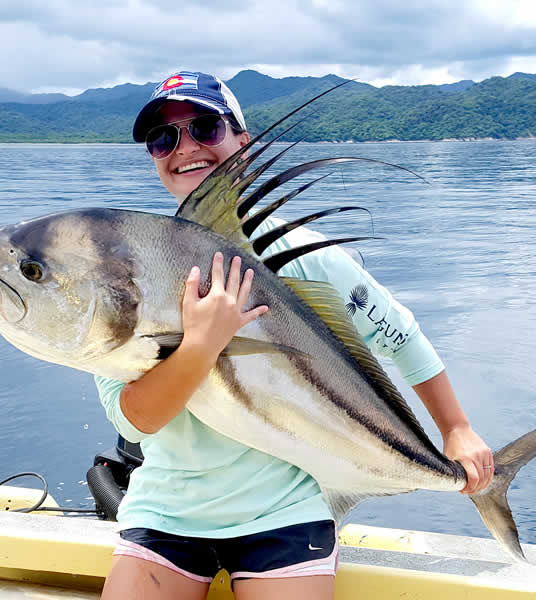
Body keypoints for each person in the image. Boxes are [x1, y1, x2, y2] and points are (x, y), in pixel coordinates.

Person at [96, 71, 493, 600]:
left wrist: (457, 429)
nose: (185, 147)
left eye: (206, 127)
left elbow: (401, 336)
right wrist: (200, 345)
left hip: (285, 516)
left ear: (243, 140)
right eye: (163, 138)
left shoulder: (306, 257)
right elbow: (136, 420)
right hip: (166, 513)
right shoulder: (128, 272)